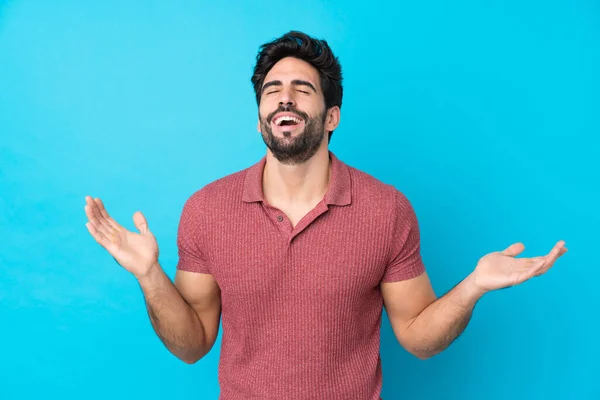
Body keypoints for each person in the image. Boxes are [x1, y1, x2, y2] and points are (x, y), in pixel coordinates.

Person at [84, 31, 567, 400]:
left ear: (331, 116)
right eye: (271, 90)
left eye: (301, 88)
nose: (284, 97)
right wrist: (149, 276)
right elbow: (192, 346)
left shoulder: (387, 210)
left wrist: (473, 287)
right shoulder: (207, 209)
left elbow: (418, 338)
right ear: (260, 118)